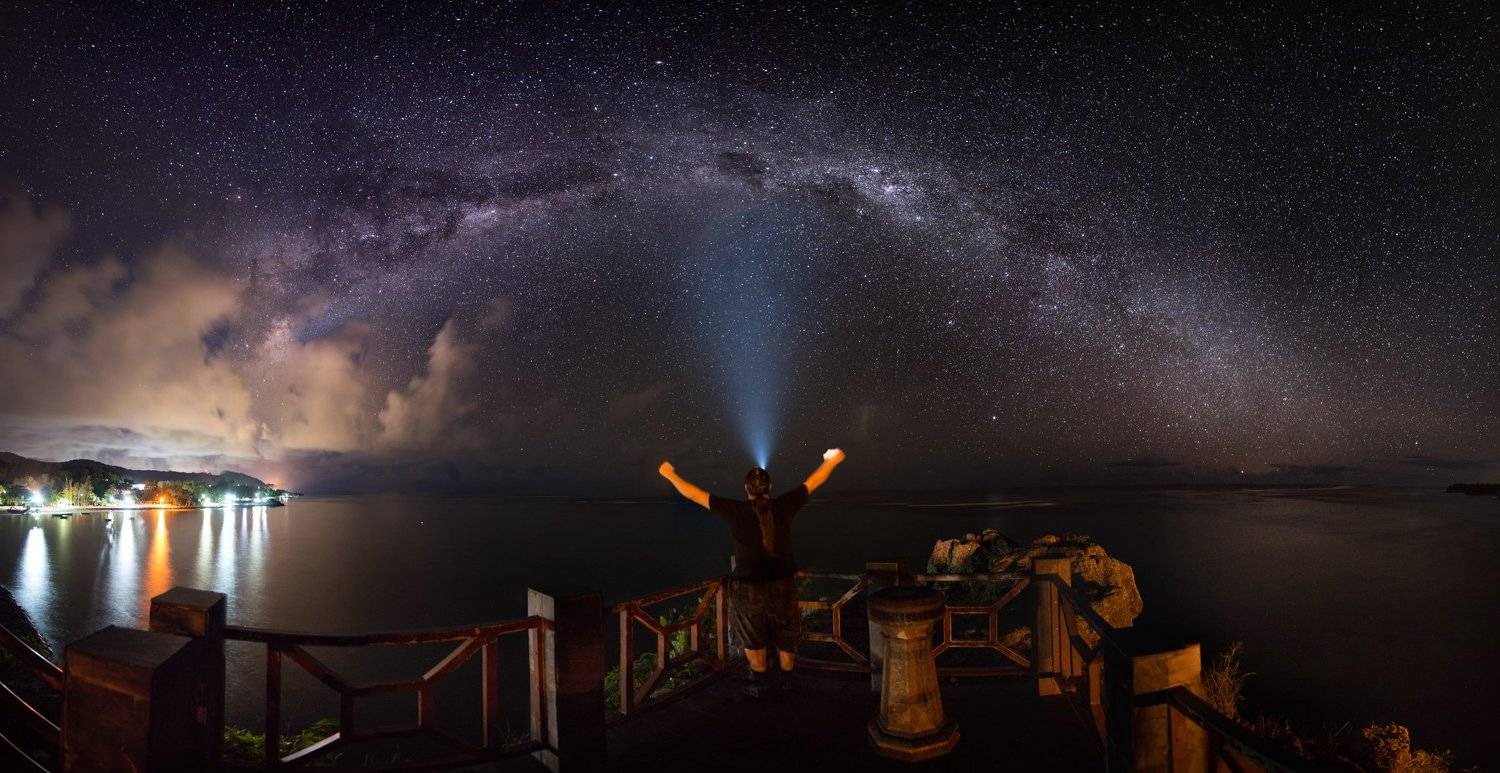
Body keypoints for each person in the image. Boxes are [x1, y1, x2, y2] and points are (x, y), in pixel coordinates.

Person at [657, 448, 846, 697]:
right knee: (787, 631)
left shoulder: (734, 510)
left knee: (752, 634)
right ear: (770, 487)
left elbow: (693, 494)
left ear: (746, 489)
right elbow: (814, 481)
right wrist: (833, 460)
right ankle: (789, 682)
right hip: (783, 584)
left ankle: (760, 684)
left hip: (748, 588)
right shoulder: (784, 505)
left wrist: (669, 474)